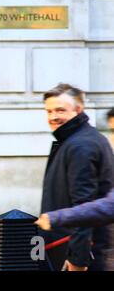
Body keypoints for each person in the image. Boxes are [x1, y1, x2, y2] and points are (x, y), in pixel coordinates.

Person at [40, 83, 114, 271]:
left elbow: (84, 205)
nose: (53, 117)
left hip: (75, 253)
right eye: (48, 111)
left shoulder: (81, 145)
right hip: (71, 248)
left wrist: (78, 259)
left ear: (78, 109)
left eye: (60, 110)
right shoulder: (78, 139)